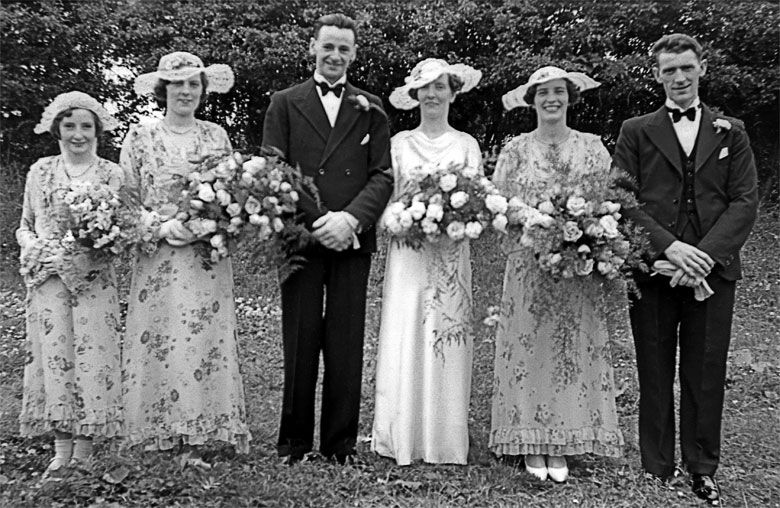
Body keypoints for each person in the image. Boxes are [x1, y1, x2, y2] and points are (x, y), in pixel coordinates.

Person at [614, 34, 758, 505]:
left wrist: (705, 256)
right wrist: (671, 247)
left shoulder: (730, 130)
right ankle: (657, 464)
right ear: (657, 74)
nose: (679, 77)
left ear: (701, 69)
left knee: (704, 370)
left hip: (712, 272)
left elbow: (744, 201)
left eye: (686, 69)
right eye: (669, 70)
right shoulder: (636, 129)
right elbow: (623, 198)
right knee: (654, 366)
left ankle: (702, 466)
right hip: (654, 267)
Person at [261, 13, 393, 464]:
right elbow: (275, 170)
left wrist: (351, 220)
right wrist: (320, 220)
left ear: (354, 54)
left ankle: (340, 445)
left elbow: (382, 174)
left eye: (344, 48)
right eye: (328, 46)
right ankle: (293, 443)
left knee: (345, 339)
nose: (335, 55)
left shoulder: (371, 105)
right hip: (301, 235)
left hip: (351, 238)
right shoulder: (284, 101)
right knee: (298, 339)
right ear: (313, 48)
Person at [489, 67, 625, 482]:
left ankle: (565, 439)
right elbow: (498, 204)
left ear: (570, 97)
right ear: (531, 100)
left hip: (576, 268)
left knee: (570, 350)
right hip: (529, 266)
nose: (551, 99)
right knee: (529, 350)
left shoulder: (593, 147)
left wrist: (586, 233)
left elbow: (610, 201)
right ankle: (530, 440)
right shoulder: (514, 149)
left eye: (558, 92)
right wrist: (531, 224)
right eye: (543, 92)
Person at [120, 51, 250, 466]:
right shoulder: (140, 138)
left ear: (202, 90)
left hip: (203, 260)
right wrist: (158, 227)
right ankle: (159, 431)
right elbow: (125, 202)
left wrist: (205, 225)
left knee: (200, 340)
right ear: (164, 89)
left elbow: (233, 197)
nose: (186, 91)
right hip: (157, 260)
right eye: (178, 84)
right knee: (158, 339)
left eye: (194, 83)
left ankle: (195, 436)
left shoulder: (216, 136)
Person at [371, 58, 482, 465]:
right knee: (407, 330)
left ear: (453, 93)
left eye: (441, 87)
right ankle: (401, 432)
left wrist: (456, 217)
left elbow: (477, 200)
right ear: (415, 95)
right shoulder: (400, 143)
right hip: (409, 253)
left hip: (451, 254)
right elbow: (386, 197)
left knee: (447, 335)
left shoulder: (467, 144)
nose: (433, 94)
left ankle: (444, 438)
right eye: (426, 88)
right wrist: (404, 218)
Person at [16, 91, 124, 475]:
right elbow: (25, 224)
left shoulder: (112, 174)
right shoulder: (40, 171)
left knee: (91, 361)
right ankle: (61, 450)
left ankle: (84, 450)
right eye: (69, 125)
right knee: (56, 359)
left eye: (85, 126)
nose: (78, 134)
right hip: (47, 281)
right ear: (56, 128)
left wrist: (94, 244)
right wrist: (34, 246)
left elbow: (121, 229)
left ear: (97, 131)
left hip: (92, 280)